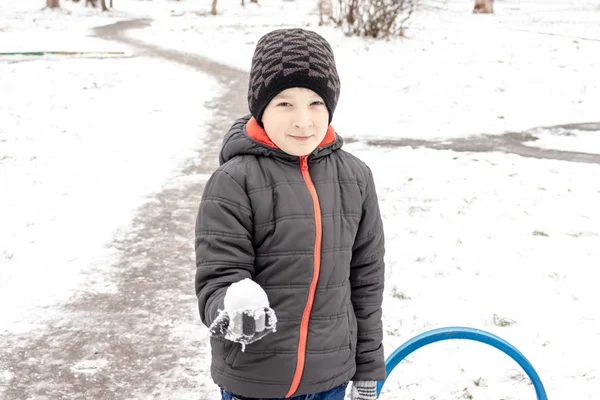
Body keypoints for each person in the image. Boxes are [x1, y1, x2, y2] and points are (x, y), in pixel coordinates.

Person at [195, 27, 386, 400]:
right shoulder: (234, 181)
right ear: (261, 107)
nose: (303, 121)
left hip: (331, 378)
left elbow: (366, 283)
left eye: (315, 103)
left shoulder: (356, 178)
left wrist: (368, 368)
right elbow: (218, 277)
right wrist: (233, 311)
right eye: (285, 103)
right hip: (256, 379)